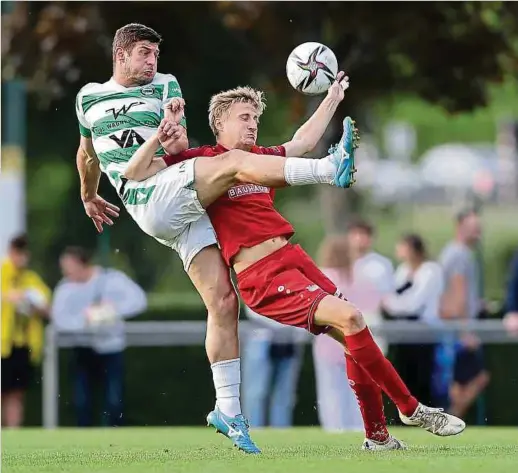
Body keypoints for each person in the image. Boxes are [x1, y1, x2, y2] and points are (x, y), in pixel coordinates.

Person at [129, 86, 466, 452]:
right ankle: (412, 409)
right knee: (351, 318)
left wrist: (334, 97)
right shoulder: (204, 161)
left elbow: (303, 141)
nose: (253, 125)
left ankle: (377, 437)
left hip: (294, 260)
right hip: (262, 275)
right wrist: (162, 133)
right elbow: (136, 172)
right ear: (219, 122)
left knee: (354, 336)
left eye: (255, 118)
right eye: (244, 118)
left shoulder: (260, 158)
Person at [75, 23, 355, 451]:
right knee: (233, 162)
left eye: (156, 54)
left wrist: (170, 133)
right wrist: (88, 194)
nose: (153, 62)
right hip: (148, 197)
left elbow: (180, 143)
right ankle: (326, 170)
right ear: (122, 54)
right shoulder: (88, 97)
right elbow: (87, 152)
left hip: (178, 197)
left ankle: (228, 410)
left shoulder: (166, 85)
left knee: (224, 301)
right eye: (145, 53)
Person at [51, 246, 147, 427]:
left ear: (81, 263)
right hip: (82, 350)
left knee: (113, 398)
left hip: (111, 348)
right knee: (81, 400)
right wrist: (85, 320)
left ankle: (113, 437)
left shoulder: (111, 279)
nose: (65, 272)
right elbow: (60, 319)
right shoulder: (65, 289)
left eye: (68, 266)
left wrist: (111, 311)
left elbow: (139, 300)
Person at [312, 235, 375, 433]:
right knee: (356, 389)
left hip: (328, 340)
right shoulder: (359, 278)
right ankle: (359, 426)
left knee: (330, 390)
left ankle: (334, 427)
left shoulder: (322, 276)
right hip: (354, 340)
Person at [437, 210, 490, 417]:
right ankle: (450, 418)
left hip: (457, 325)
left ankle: (451, 419)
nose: (478, 233)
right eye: (473, 228)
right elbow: (458, 296)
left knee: (459, 383)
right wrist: (465, 331)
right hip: (460, 328)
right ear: (460, 227)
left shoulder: (456, 253)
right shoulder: (459, 254)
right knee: (477, 378)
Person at [382, 234, 444, 406]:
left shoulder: (430, 270)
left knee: (423, 378)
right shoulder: (402, 270)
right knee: (403, 378)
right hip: (404, 332)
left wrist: (391, 304)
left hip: (424, 331)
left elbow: (414, 303)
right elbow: (392, 295)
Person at [1, 235, 51, 427]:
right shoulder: (3, 273)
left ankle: (13, 433)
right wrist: (10, 297)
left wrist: (32, 303)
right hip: (2, 343)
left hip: (23, 345)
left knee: (17, 393)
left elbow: (47, 307)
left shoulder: (31, 279)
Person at [242, 306, 305, 428]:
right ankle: (253, 430)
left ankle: (281, 431)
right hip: (262, 334)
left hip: (288, 337)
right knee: (256, 392)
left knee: (284, 394)